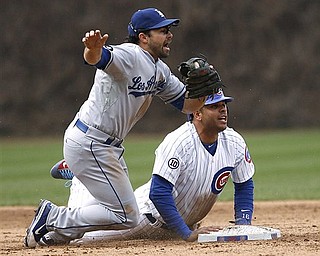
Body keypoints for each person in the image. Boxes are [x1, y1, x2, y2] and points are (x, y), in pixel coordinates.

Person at [24, 8, 218, 248]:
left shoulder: (159, 71)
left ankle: (54, 231)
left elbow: (188, 106)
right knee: (126, 215)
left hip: (106, 147)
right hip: (91, 142)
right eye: (162, 31)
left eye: (169, 30)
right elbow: (97, 59)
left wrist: (203, 91)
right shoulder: (131, 54)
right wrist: (93, 48)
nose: (169, 35)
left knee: (110, 210)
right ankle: (52, 216)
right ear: (143, 37)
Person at [50, 88, 255, 244]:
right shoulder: (178, 142)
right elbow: (159, 193)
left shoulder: (234, 141)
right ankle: (79, 174)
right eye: (214, 106)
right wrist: (186, 233)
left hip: (180, 225)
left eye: (224, 104)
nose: (223, 110)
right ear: (197, 113)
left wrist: (243, 223)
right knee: (83, 238)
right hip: (145, 218)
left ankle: (83, 172)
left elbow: (244, 183)